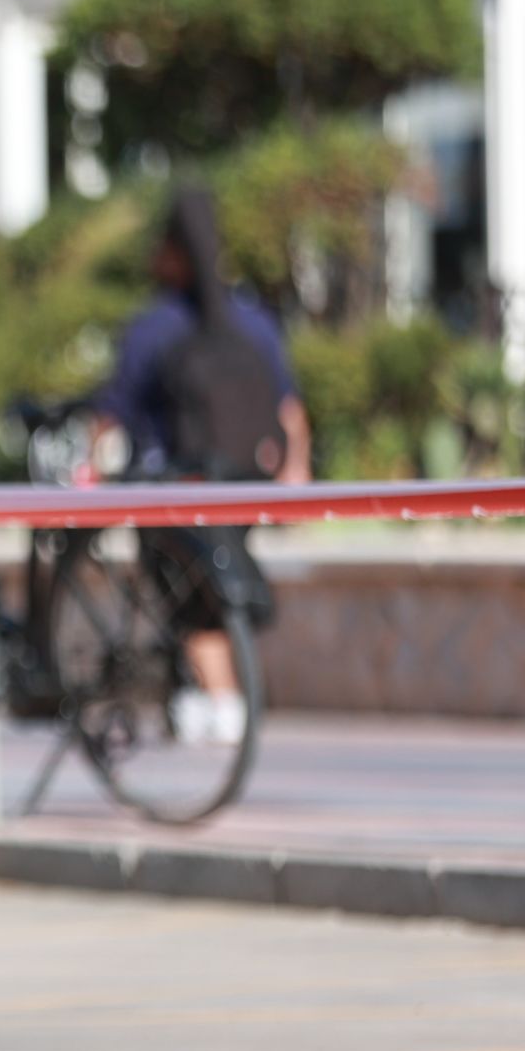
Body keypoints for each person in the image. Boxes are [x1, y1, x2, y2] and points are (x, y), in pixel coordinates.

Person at [91, 186, 311, 745]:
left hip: (172, 484)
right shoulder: (253, 321)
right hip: (244, 480)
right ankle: (209, 696)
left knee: (187, 598)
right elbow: (289, 408)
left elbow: (109, 417)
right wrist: (294, 475)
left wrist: (93, 478)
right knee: (216, 588)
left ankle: (221, 700)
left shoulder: (152, 327)